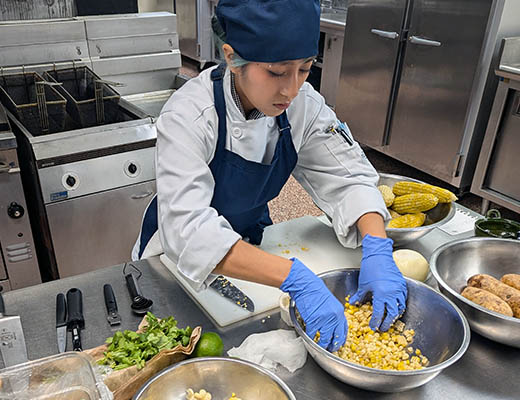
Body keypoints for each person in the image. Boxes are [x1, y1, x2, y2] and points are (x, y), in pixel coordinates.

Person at [133, 0, 406, 352]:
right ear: (232, 58)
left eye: (305, 69)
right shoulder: (190, 114)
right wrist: (293, 277)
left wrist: (377, 247)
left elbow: (348, 175)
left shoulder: (303, 103)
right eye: (277, 72)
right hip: (175, 264)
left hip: (250, 244)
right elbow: (188, 231)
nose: (291, 89)